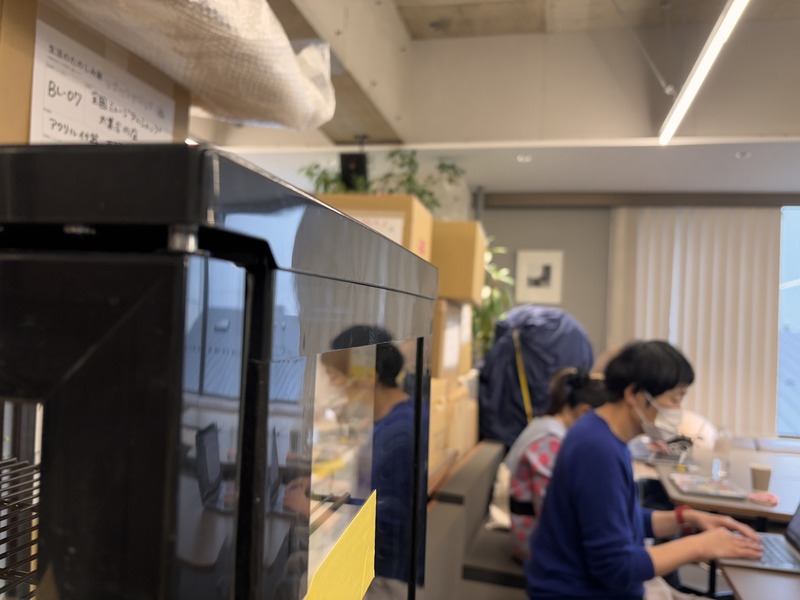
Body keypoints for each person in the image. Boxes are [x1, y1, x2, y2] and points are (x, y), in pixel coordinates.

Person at [526, 340, 763, 600]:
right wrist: (701, 546)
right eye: (674, 398)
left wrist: (686, 518)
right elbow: (616, 567)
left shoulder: (601, 434)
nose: (677, 410)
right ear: (634, 394)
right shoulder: (597, 450)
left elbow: (618, 521)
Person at [504, 367, 610, 561]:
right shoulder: (549, 442)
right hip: (534, 542)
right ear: (585, 411)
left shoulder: (546, 425)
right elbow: (550, 510)